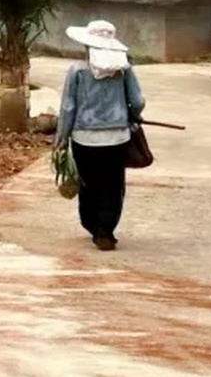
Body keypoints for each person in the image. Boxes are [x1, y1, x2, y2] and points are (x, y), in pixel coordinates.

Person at [54, 19, 144, 251]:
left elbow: (68, 107)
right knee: (113, 184)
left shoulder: (77, 71)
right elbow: (138, 101)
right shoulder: (124, 69)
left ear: (88, 46)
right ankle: (105, 230)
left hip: (84, 138)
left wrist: (62, 137)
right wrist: (133, 115)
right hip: (118, 138)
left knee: (89, 182)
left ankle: (92, 224)